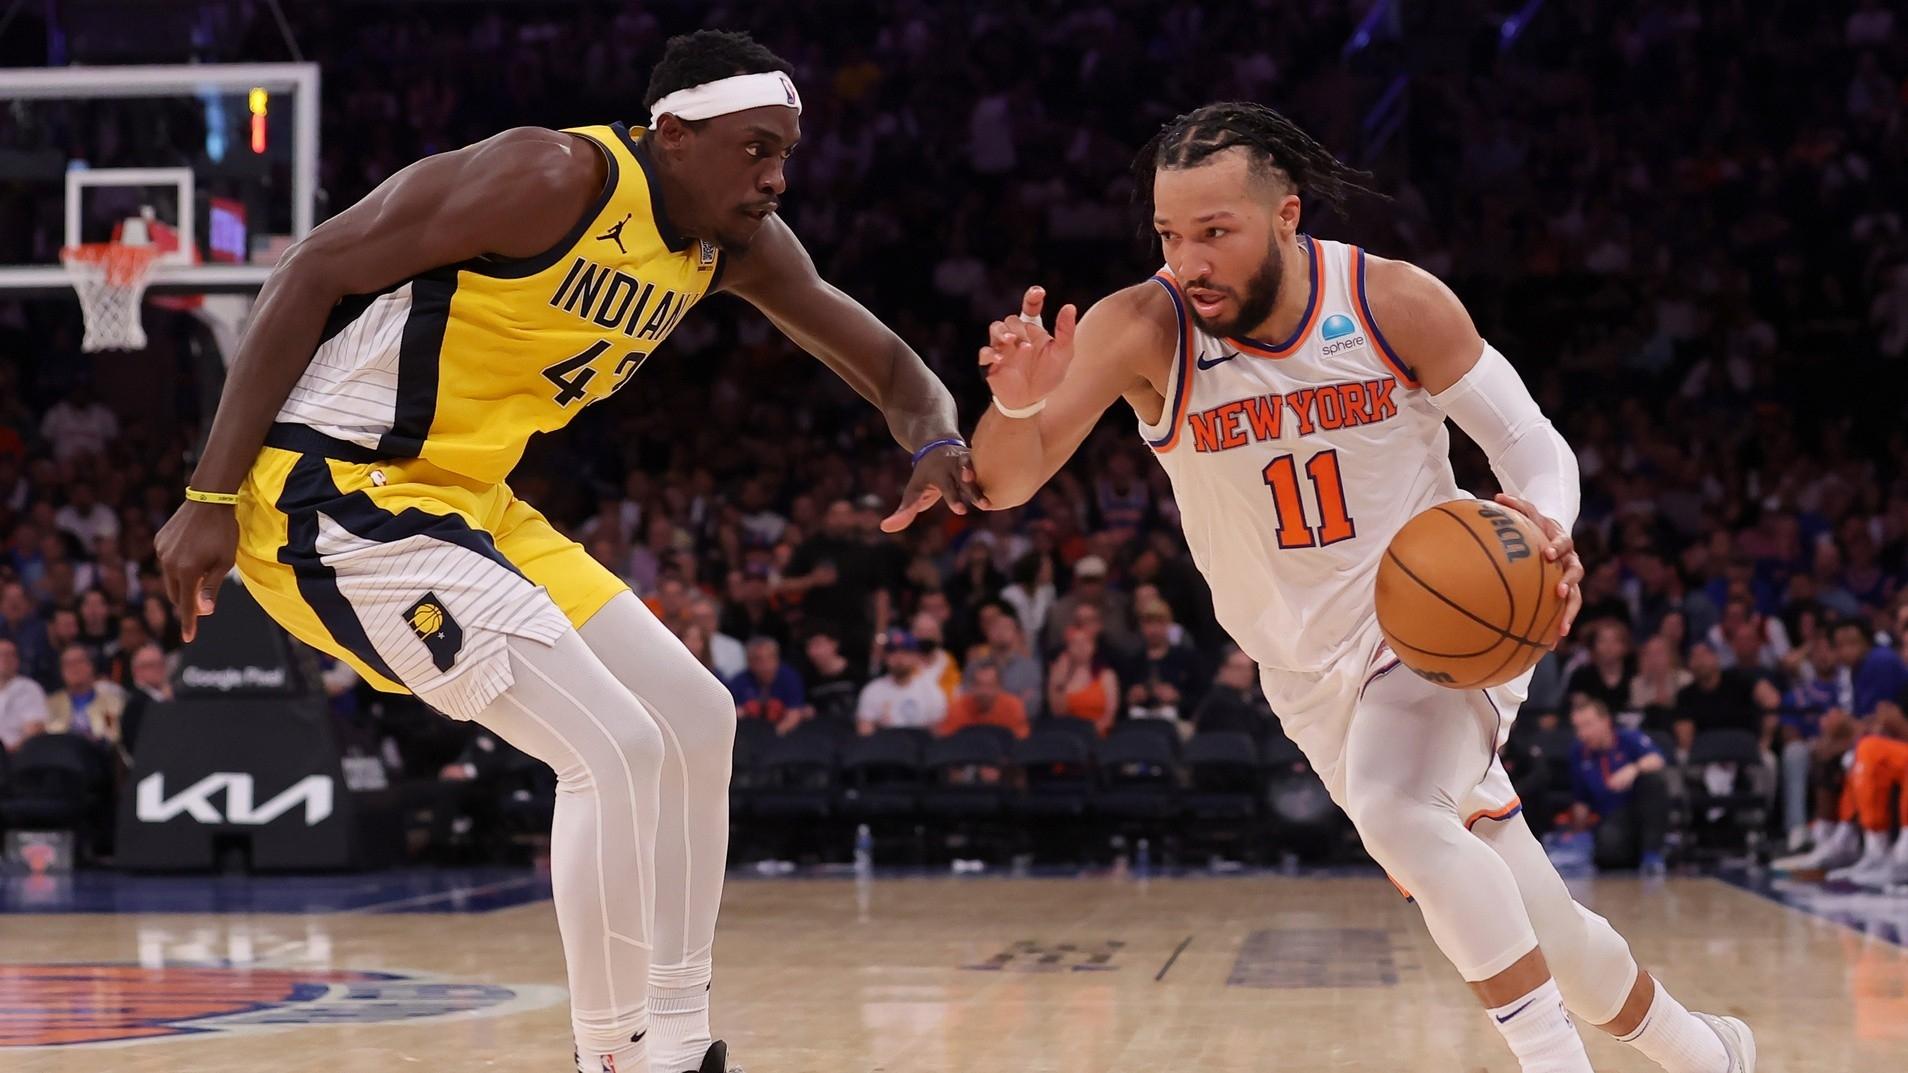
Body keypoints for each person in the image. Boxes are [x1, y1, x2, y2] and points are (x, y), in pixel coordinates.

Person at [151, 30, 982, 1073]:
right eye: (756, 149)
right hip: (334, 482)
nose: (776, 176)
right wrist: (209, 491)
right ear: (673, 135)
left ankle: (678, 1034)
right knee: (610, 748)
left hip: (468, 501)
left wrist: (938, 438)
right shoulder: (549, 174)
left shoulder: (735, 245)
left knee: (695, 717)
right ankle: (611, 1055)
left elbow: (893, 364)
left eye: (788, 155)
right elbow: (313, 264)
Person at [967, 102, 1752, 1073]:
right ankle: (1710, 1052)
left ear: (1287, 217)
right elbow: (1006, 478)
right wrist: (1014, 401)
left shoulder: (1391, 302)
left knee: (1394, 805)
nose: (1190, 260)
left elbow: (1528, 441)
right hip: (1304, 675)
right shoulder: (1147, 327)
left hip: (1436, 623)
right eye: (1172, 233)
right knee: (1541, 921)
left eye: (1217, 231)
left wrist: (1547, 525)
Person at [1566, 698, 1671, 874]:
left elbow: (1657, 760)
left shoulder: (1627, 739)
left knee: (1654, 780)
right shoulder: (1579, 753)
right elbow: (1580, 799)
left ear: (1605, 721)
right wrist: (1576, 835)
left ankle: (1652, 855)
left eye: (1588, 725)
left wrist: (1633, 768)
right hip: (1611, 817)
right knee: (1607, 849)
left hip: (1639, 811)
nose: (1583, 733)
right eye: (1578, 728)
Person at [855, 629, 947, 733]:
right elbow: (865, 733)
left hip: (920, 747)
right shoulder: (872, 690)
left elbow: (937, 734)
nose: (898, 658)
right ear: (886, 657)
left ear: (916, 657)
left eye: (905, 652)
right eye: (892, 652)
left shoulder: (931, 690)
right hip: (884, 746)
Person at [45, 643, 127, 751]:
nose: (74, 668)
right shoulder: (50, 704)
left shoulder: (110, 702)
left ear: (91, 666)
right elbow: (48, 735)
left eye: (79, 662)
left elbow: (112, 733)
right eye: (67, 664)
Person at [1046, 624, 1119, 734]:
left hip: (1099, 737)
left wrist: (1088, 734)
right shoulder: (1059, 676)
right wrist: (1060, 681)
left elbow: (1109, 717)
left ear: (1094, 646)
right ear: (1068, 648)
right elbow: (1057, 714)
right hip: (1070, 737)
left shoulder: (1107, 675)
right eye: (1075, 643)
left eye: (1086, 642)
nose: (1081, 647)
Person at [726, 637, 807, 735]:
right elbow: (731, 715)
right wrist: (745, 711)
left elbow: (795, 713)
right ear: (749, 662)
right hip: (748, 735)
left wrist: (774, 735)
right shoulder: (739, 681)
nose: (765, 665)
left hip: (783, 735)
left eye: (770, 658)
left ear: (777, 659)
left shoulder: (789, 677)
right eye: (758, 660)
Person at [938, 659, 1030, 739]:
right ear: (971, 687)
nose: (984, 692)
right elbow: (947, 742)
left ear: (999, 687)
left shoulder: (1013, 706)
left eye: (990, 686)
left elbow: (1021, 741)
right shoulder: (956, 708)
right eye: (979, 685)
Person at [0, 637, 48, 752]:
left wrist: (6, 755)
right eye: (2, 654)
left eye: (11, 655)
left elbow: (35, 730)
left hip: (16, 756)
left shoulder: (29, 688)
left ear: (18, 660)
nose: (7, 659)